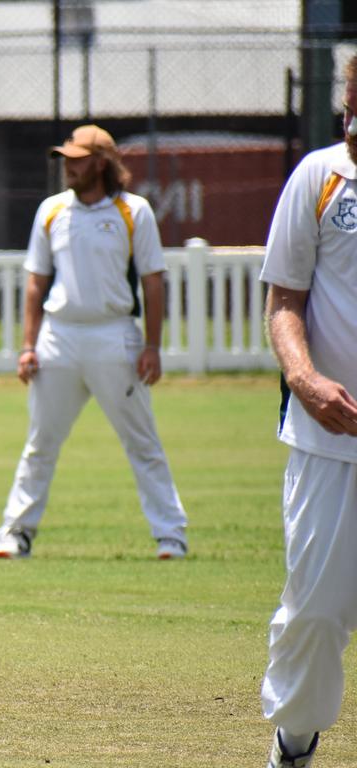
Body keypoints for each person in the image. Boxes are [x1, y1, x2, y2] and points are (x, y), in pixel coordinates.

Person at [0, 124, 188, 561]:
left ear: (101, 162)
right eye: (66, 158)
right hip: (58, 336)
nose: (68, 166)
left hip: (114, 335)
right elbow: (35, 284)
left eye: (77, 159)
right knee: (41, 443)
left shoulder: (134, 211)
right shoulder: (51, 211)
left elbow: (154, 284)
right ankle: (15, 533)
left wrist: (152, 346)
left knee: (142, 442)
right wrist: (28, 345)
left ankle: (170, 535)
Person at [258, 53, 357, 768]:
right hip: (330, 439)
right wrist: (305, 378)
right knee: (315, 615)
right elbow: (284, 300)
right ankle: (295, 742)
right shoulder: (320, 177)